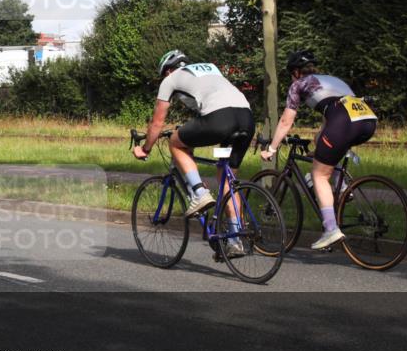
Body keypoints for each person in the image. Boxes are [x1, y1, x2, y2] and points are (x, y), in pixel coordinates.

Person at [133, 50, 255, 254]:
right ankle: (235, 240)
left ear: (167, 70)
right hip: (246, 119)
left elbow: (157, 123)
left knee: (175, 143)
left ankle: (199, 192)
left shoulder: (170, 79)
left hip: (220, 120)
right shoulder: (210, 69)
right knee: (226, 178)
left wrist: (145, 149)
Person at [261, 50, 377, 250]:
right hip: (368, 121)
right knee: (326, 154)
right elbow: (330, 119)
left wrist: (271, 148)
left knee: (319, 175)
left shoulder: (299, 84)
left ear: (296, 72)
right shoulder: (332, 80)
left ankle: (331, 229)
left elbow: (286, 121)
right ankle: (343, 190)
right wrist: (319, 146)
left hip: (343, 122)